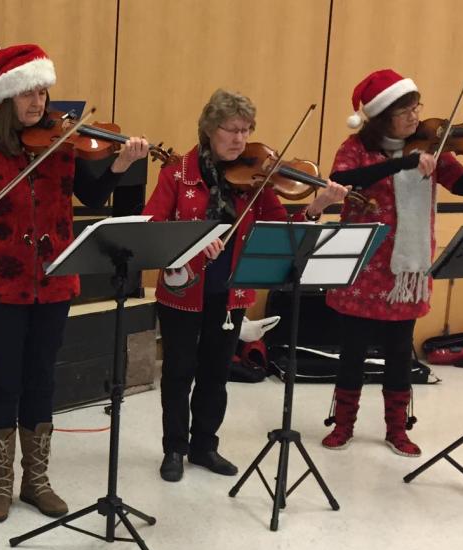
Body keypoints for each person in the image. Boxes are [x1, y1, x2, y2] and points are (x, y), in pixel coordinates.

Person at [0, 44, 146, 523]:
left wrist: (120, 166)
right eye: (27, 94)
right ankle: (1, 484)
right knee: (3, 380)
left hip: (54, 280)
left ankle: (36, 481)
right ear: (6, 98)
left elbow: (92, 193)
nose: (38, 103)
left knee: (42, 378)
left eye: (43, 92)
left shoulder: (63, 141)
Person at [144, 89, 347, 482]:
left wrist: (315, 208)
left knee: (216, 373)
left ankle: (205, 445)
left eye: (247, 129)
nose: (240, 138)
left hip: (231, 294)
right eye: (232, 129)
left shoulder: (256, 180)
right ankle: (174, 448)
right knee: (178, 372)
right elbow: (153, 227)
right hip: (183, 293)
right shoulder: (178, 173)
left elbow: (283, 231)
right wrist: (196, 239)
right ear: (209, 129)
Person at [321, 69, 463, 456]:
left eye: (417, 108)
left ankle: (397, 428)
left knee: (399, 352)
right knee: (353, 350)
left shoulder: (432, 149)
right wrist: (401, 164)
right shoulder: (357, 148)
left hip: (407, 272)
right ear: (383, 116)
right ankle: (342, 425)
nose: (415, 118)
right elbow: (345, 179)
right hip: (363, 268)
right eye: (405, 111)